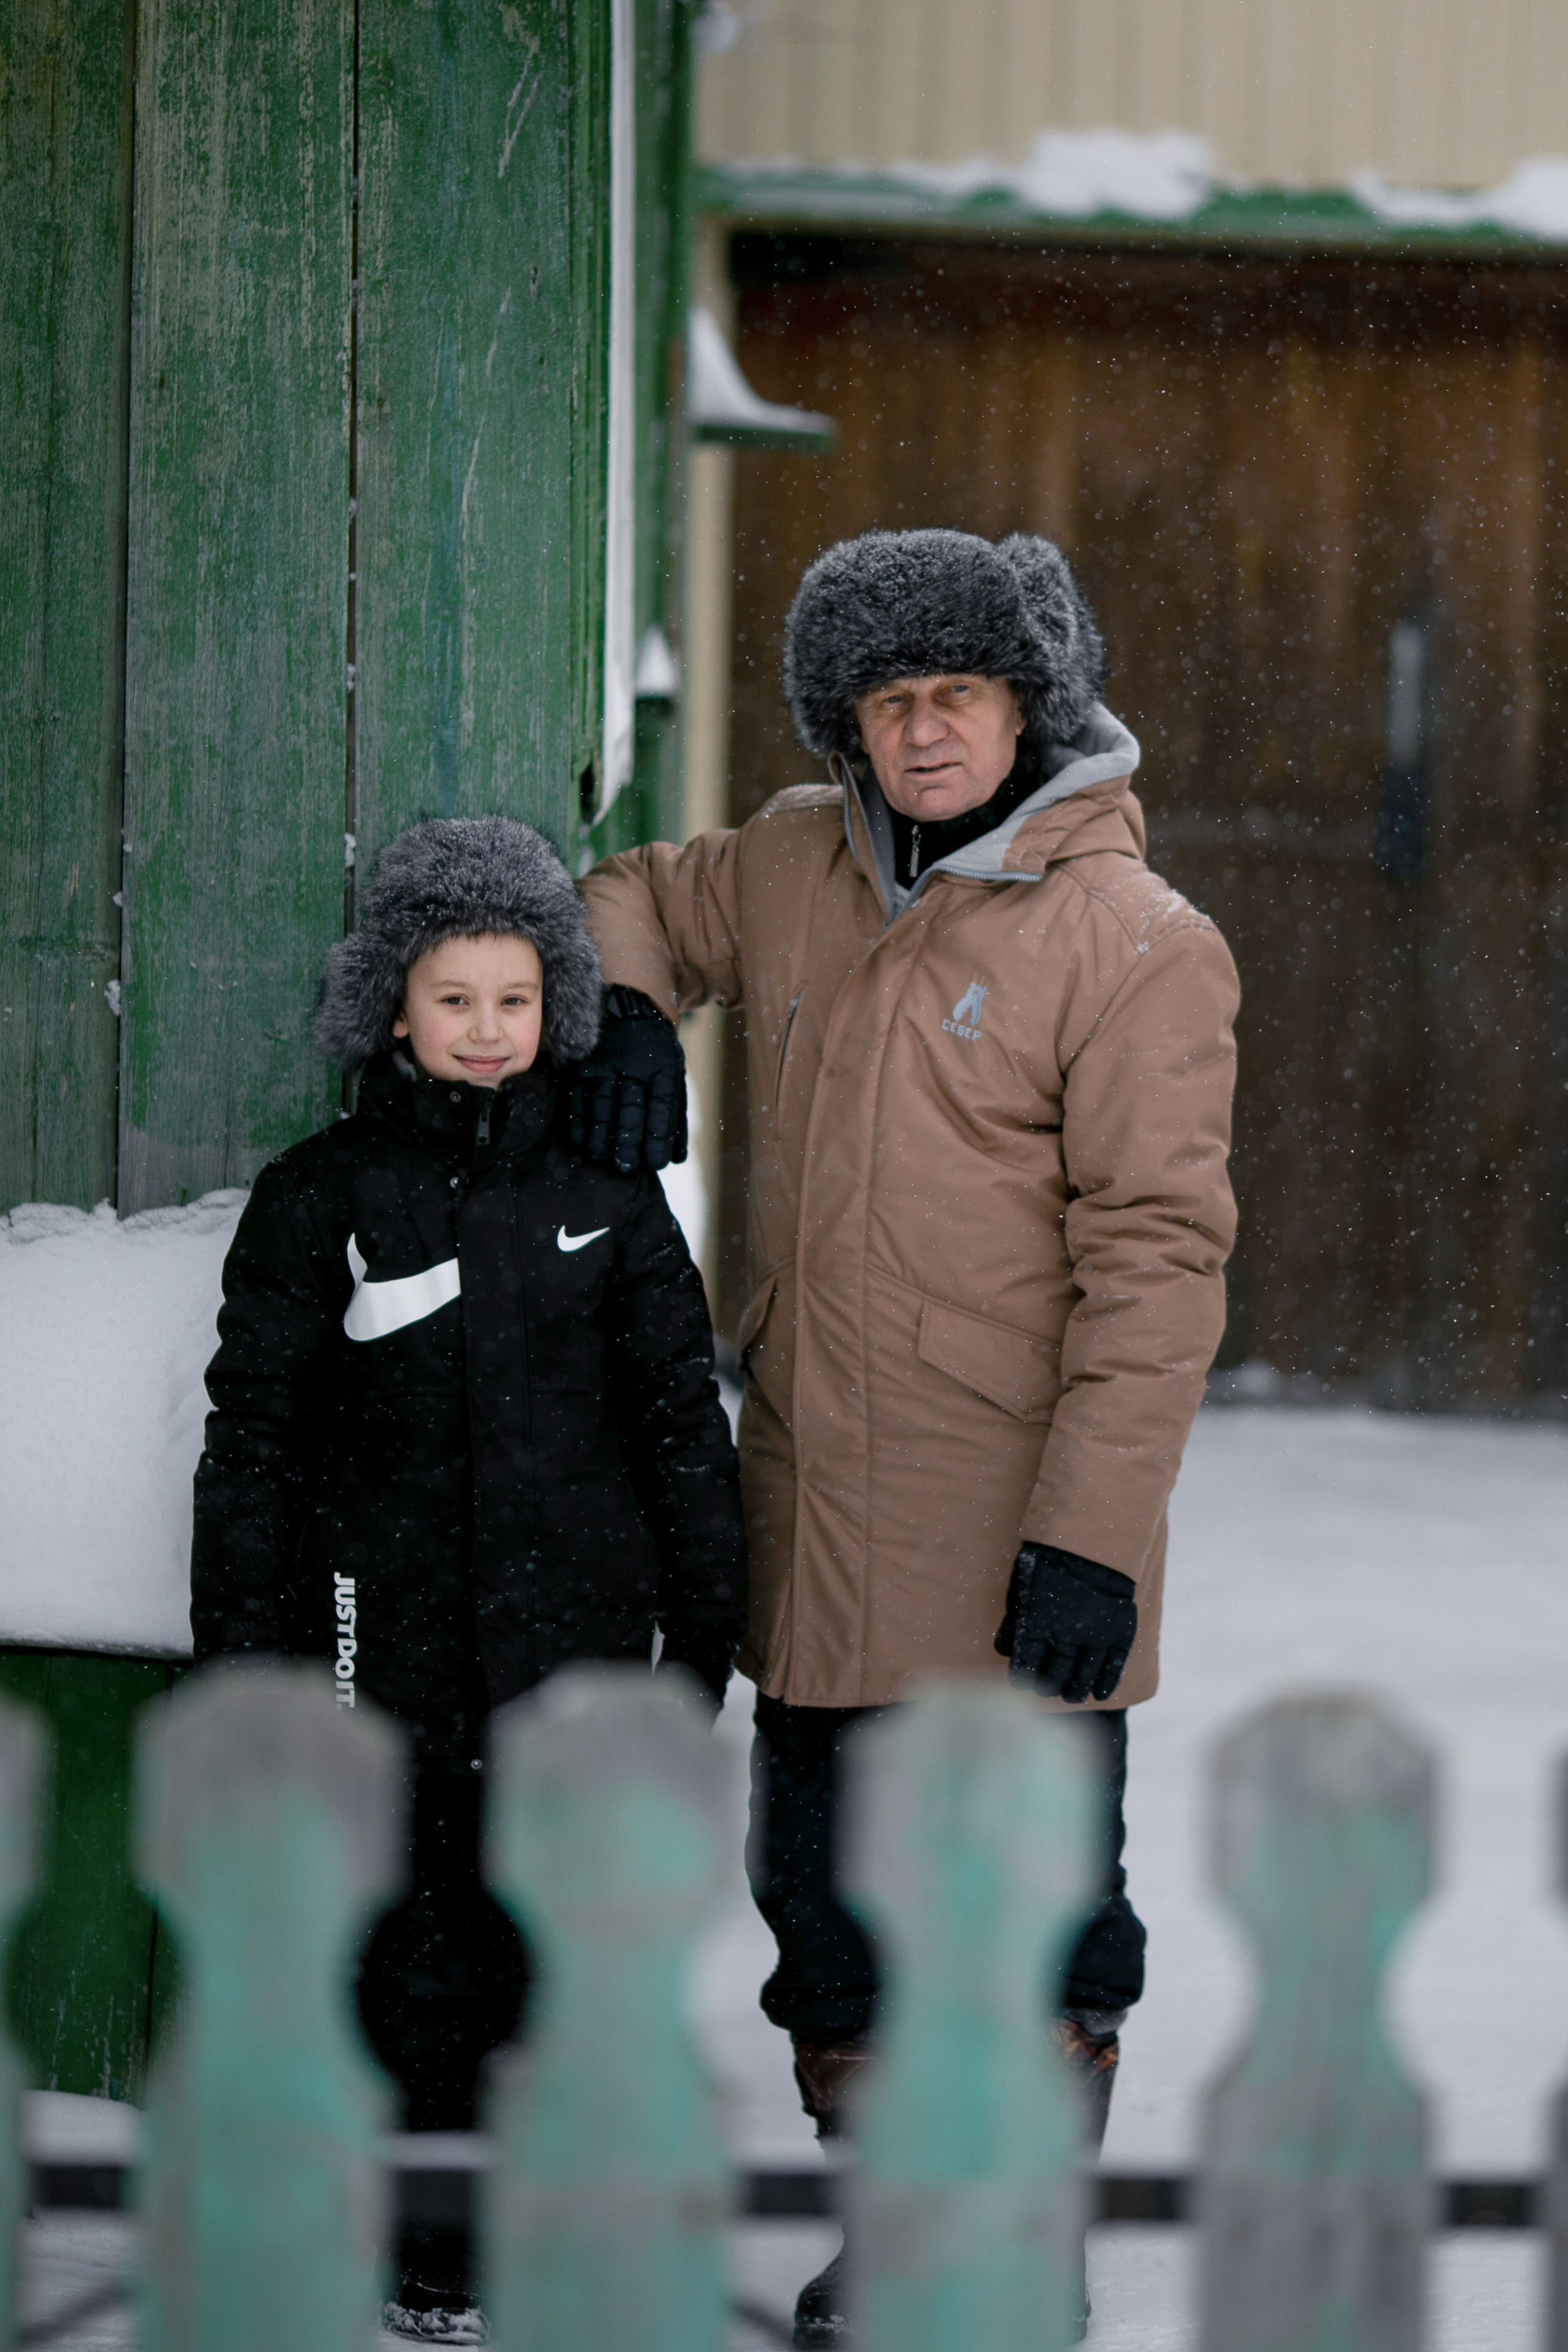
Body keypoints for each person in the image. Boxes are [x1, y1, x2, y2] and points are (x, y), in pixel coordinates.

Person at [574, 530, 1239, 2344]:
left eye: (956, 694)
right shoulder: (797, 864)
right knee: (827, 1914)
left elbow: (1162, 1262)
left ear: (1032, 703)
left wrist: (1094, 1536)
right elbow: (631, 890)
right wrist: (624, 1009)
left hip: (1018, 1532)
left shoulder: (1135, 941)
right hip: (810, 1508)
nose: (923, 732)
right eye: (887, 701)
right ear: (845, 724)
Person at [189, 815, 746, 2342]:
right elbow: (255, 1441)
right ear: (393, 1009)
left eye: (514, 999)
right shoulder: (320, 1196)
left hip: (574, 1653)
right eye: (454, 999)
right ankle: (425, 2230)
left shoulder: (612, 1199)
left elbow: (678, 1426)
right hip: (383, 1649)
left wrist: (702, 1631)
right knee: (410, 1932)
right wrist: (244, 1654)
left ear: (552, 1008)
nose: (487, 1031)